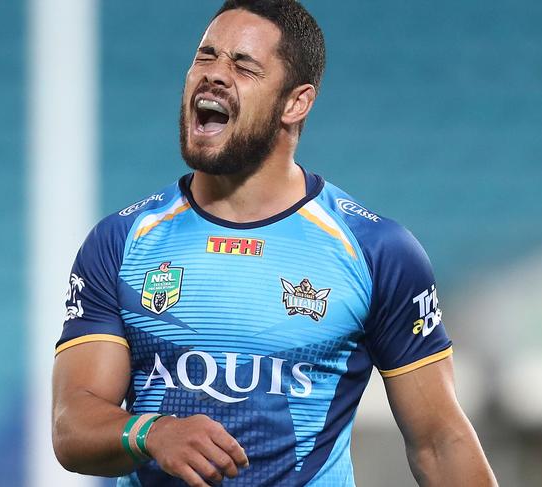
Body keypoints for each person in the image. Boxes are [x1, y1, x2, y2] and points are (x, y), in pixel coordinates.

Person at [52, 1, 498, 486]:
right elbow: (71, 426)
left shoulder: (377, 251)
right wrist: (152, 433)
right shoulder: (120, 242)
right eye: (205, 57)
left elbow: (440, 442)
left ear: (295, 102)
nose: (215, 76)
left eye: (243, 66)